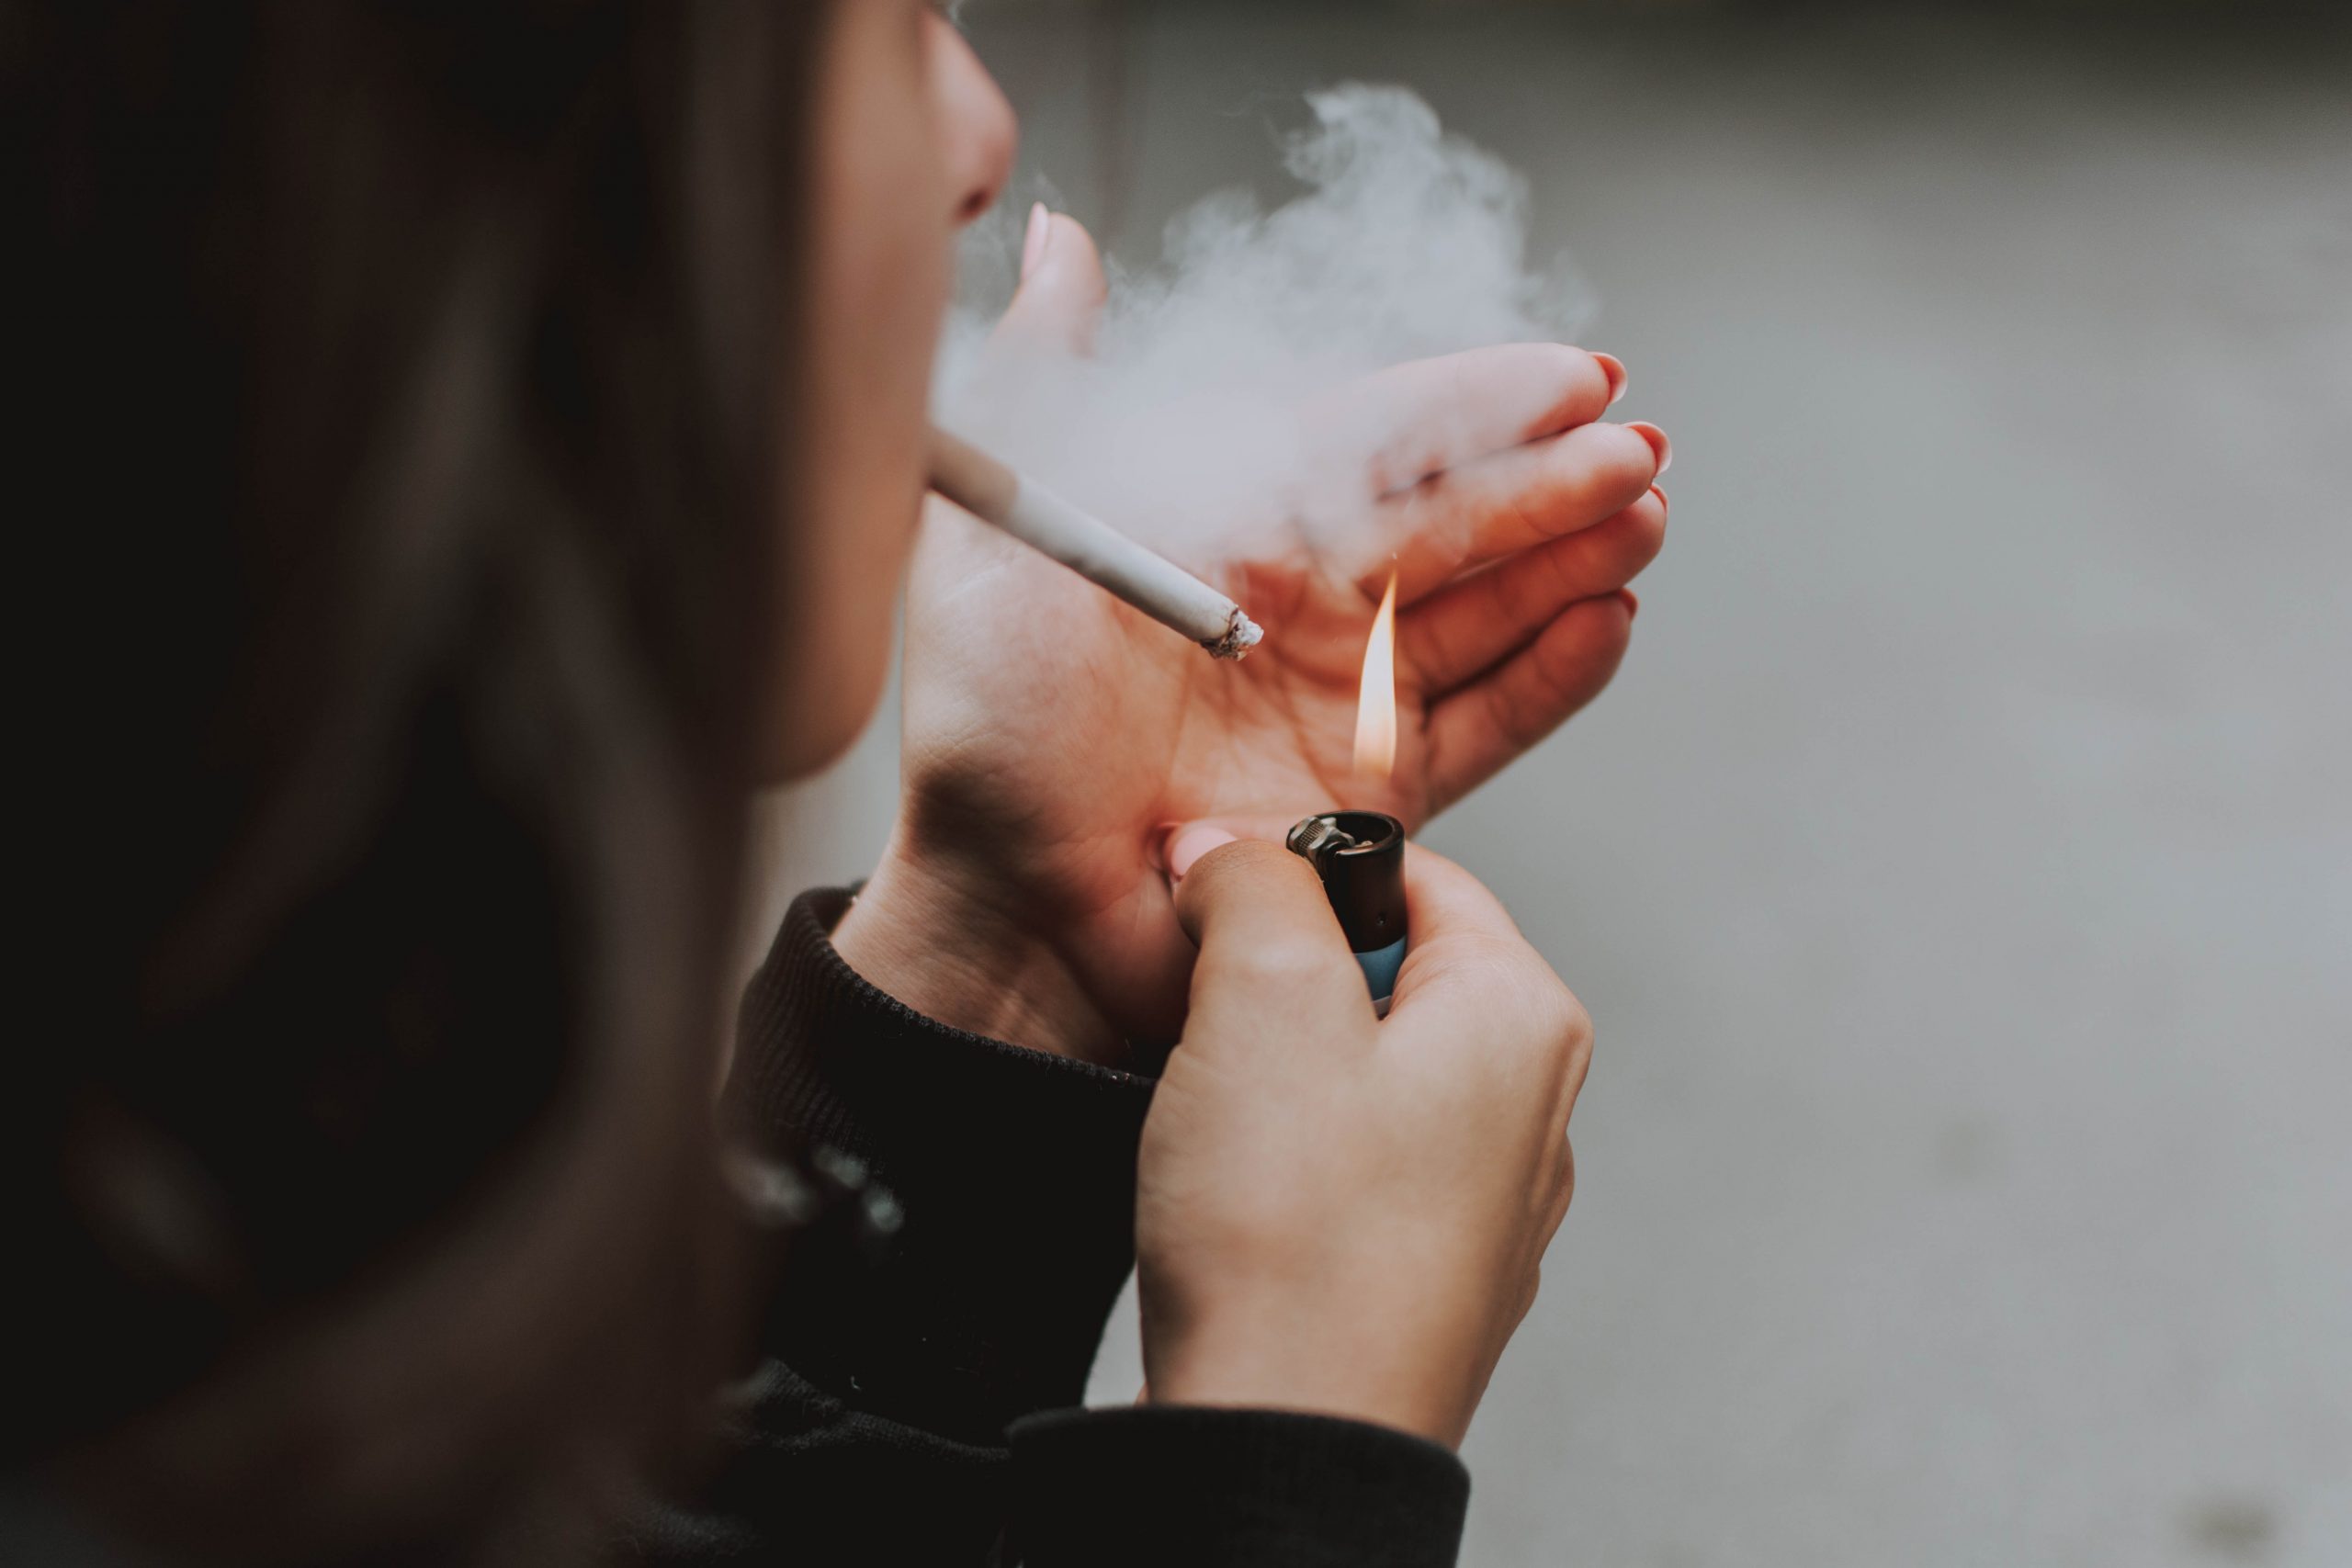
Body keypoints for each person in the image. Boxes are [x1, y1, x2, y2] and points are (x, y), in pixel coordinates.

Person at [8, 3, 1668, 1563]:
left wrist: (991, 1000)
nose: (982, 128)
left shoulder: (209, 1131)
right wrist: (1293, 1452)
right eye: (869, 22)